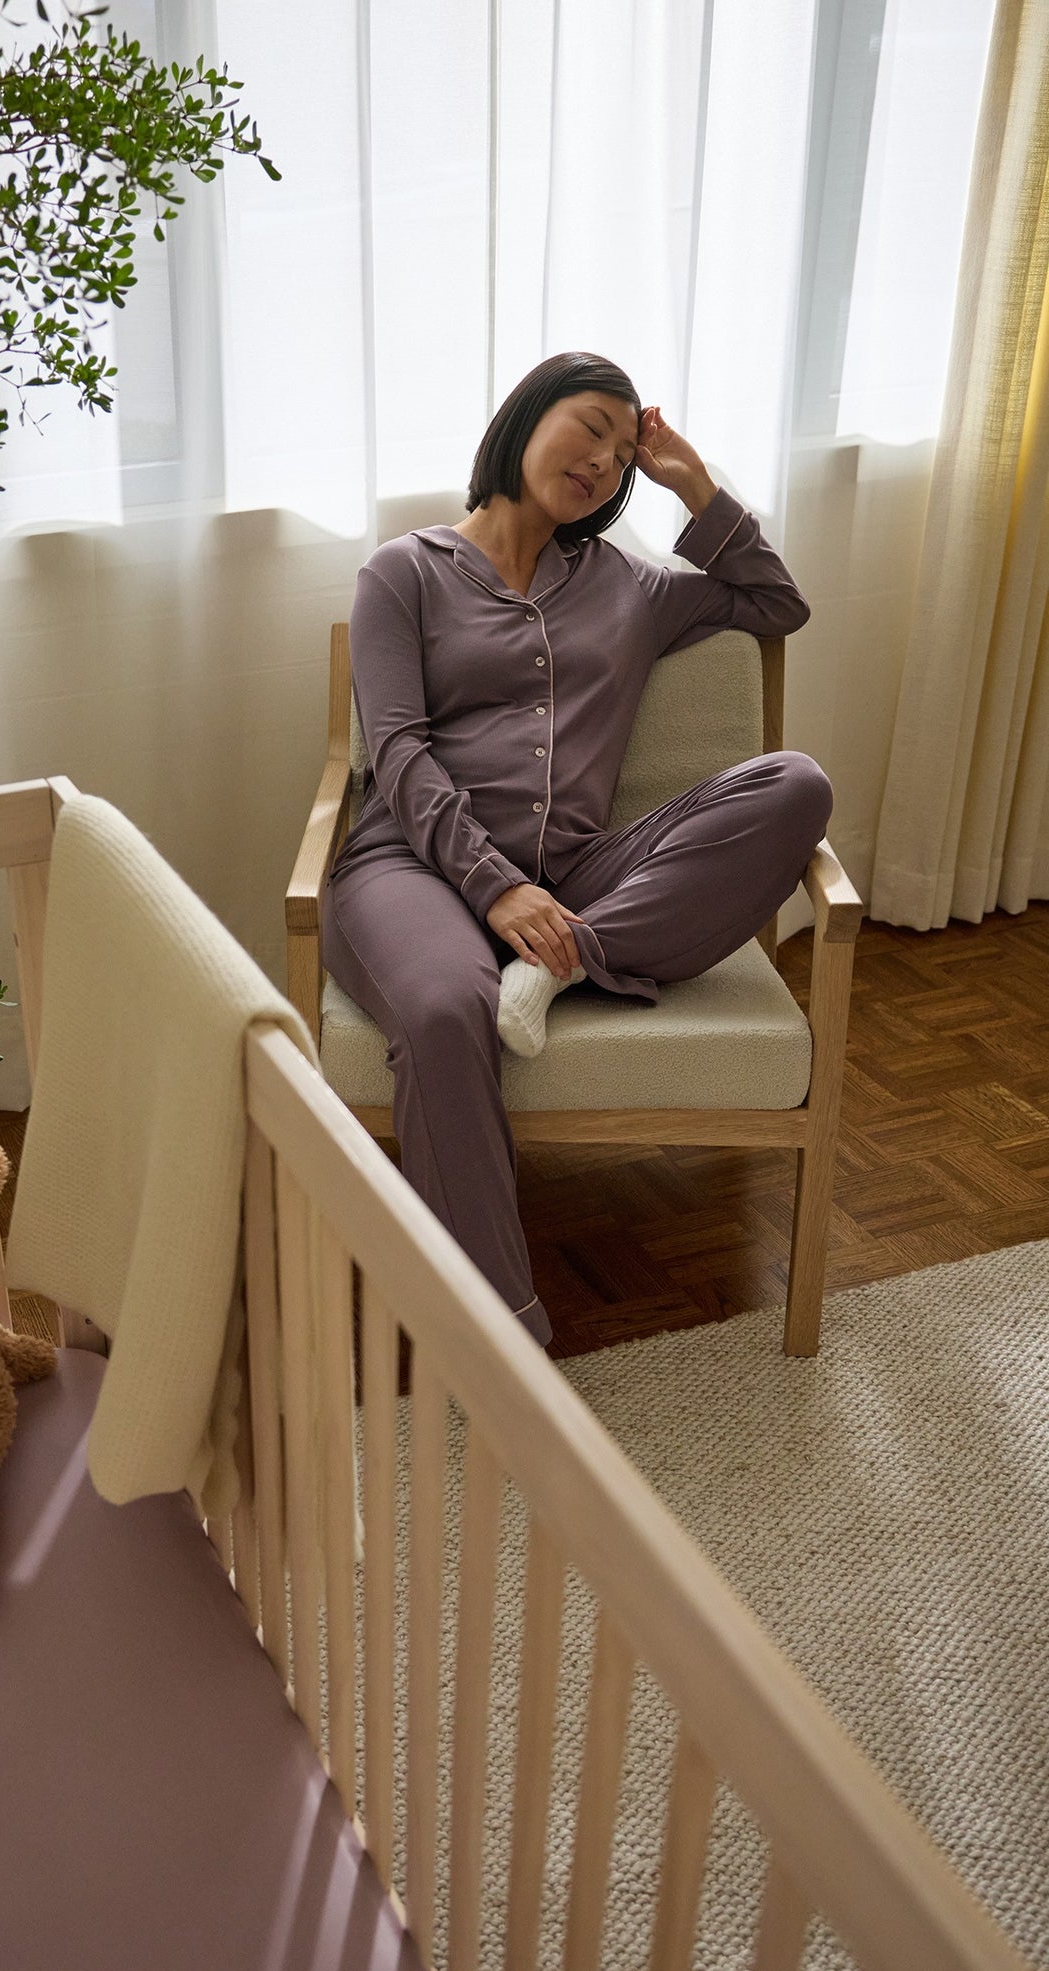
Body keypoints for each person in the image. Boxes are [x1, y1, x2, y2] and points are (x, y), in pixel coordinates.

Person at [321, 350, 830, 1349]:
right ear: (526, 418)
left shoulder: (633, 586)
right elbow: (397, 752)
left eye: (619, 449)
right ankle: (497, 1329)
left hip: (579, 871)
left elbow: (777, 605)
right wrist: (497, 889)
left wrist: (689, 480)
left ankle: (566, 965)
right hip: (408, 868)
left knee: (795, 784)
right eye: (586, 425)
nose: (601, 458)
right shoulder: (405, 570)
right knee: (439, 1006)